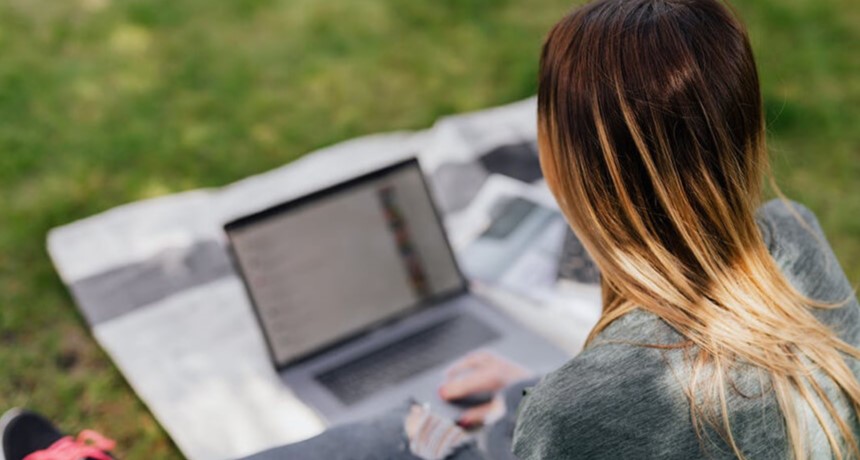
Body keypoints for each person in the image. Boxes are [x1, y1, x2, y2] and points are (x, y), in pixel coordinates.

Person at [4, 0, 858, 458]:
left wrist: (519, 414)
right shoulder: (795, 239)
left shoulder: (585, 405)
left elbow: (608, 413)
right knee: (412, 421)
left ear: (566, 168)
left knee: (389, 436)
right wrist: (538, 387)